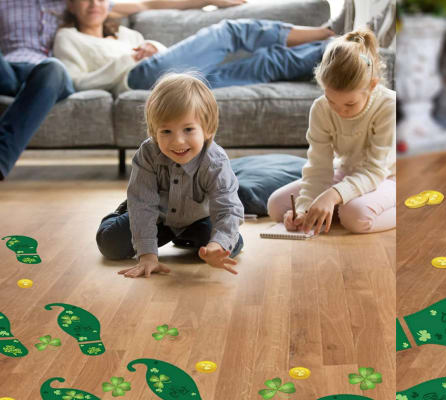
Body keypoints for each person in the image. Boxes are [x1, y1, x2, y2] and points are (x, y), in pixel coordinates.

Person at [0, 0, 245, 181]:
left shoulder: (71, 4)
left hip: (48, 76)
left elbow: (147, 4)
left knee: (52, 67)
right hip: (9, 70)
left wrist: (208, 1)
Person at [96, 73, 244, 278]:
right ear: (153, 131)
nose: (178, 141)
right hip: (156, 216)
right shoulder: (148, 154)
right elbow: (143, 206)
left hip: (198, 218)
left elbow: (228, 208)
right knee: (110, 244)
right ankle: (123, 211)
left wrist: (216, 245)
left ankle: (187, 237)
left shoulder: (215, 161)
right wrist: (147, 255)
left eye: (188, 129)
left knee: (230, 245)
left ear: (208, 129)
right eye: (166, 131)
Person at [53, 0, 335, 94]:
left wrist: (154, 48)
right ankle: (328, 29)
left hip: (172, 82)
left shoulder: (126, 33)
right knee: (229, 31)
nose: (94, 4)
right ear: (71, 4)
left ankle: (337, 48)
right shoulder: (69, 38)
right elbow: (75, 83)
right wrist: (126, 60)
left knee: (264, 63)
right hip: (137, 79)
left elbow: (163, 58)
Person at [267, 29, 396, 234]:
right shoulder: (320, 108)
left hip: (388, 177)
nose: (339, 111)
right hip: (347, 173)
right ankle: (333, 210)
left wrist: (332, 196)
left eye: (350, 104)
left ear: (372, 86)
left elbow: (374, 170)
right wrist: (303, 209)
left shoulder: (389, 105)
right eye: (331, 100)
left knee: (355, 217)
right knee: (276, 206)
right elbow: (318, 167)